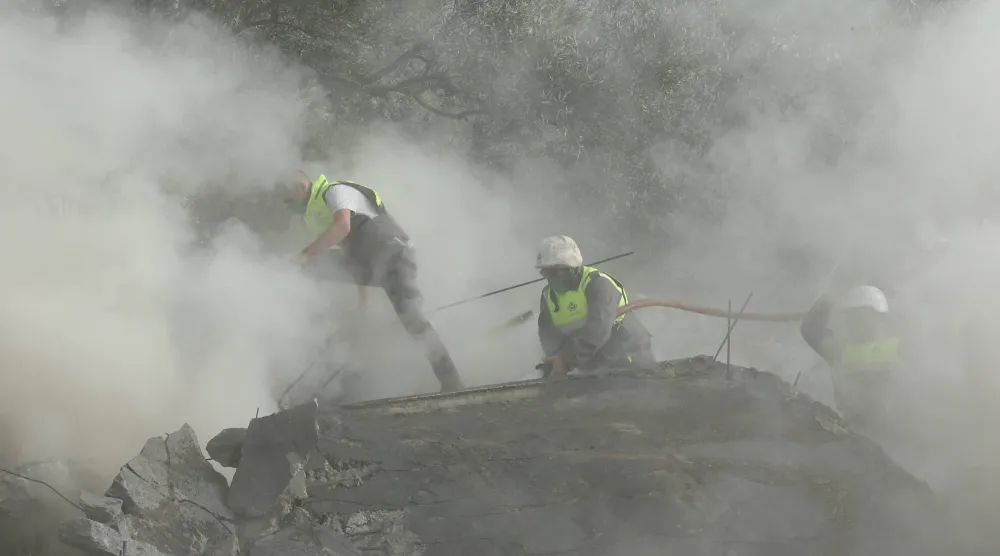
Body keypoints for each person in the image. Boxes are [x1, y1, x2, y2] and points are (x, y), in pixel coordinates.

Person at [278, 170, 465, 392]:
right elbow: (355, 260)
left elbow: (343, 226)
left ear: (301, 187)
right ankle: (298, 332)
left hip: (394, 255)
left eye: (289, 199)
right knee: (306, 266)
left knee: (412, 319)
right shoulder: (322, 212)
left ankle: (453, 383)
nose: (288, 205)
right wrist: (362, 303)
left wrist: (308, 253)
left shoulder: (335, 192)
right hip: (373, 262)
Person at [535, 235, 655, 378]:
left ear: (570, 267)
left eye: (554, 272)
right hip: (593, 360)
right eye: (545, 272)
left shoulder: (598, 285)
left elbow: (598, 329)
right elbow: (548, 334)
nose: (550, 278)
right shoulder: (548, 295)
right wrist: (553, 361)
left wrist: (565, 362)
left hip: (627, 357)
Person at [799, 284, 902, 427]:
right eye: (851, 316)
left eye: (861, 315)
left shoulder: (901, 348)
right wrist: (829, 298)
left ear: (879, 317)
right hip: (856, 431)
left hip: (896, 429)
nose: (855, 321)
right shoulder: (840, 349)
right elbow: (810, 329)